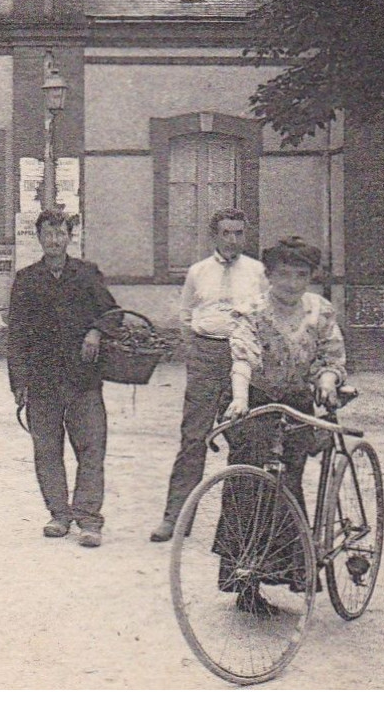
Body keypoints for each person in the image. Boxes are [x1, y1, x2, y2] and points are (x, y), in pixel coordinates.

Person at [218, 237, 347, 614]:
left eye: (301, 275)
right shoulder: (252, 311)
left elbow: (331, 356)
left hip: (297, 406)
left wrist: (326, 379)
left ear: (311, 277)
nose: (292, 283)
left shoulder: (320, 311)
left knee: (287, 485)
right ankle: (245, 583)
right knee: (246, 485)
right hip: (255, 402)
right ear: (269, 275)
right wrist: (239, 399)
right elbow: (242, 358)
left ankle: (292, 573)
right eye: (284, 275)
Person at [150, 207, 268, 543]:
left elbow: (266, 316)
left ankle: (241, 526)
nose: (233, 240)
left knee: (244, 438)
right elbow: (186, 317)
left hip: (243, 357)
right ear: (214, 236)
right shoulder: (197, 272)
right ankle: (176, 519)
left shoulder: (257, 272)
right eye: (226, 233)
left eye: (239, 233)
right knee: (193, 437)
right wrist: (197, 352)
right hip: (205, 355)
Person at [6, 209, 119, 548]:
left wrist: (96, 332)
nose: (54, 241)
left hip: (83, 380)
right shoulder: (26, 280)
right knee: (46, 450)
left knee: (91, 449)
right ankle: (58, 514)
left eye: (61, 234)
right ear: (39, 238)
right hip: (42, 382)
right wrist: (18, 383)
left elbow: (113, 315)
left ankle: (88, 519)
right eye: (48, 234)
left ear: (70, 238)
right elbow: (16, 335)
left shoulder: (87, 275)